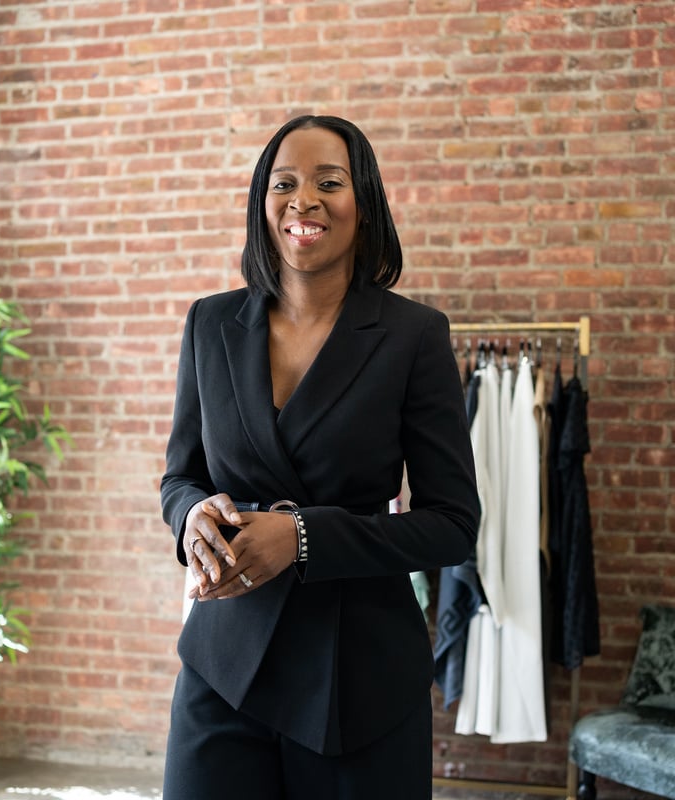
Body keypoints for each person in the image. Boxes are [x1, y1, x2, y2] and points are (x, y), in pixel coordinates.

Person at [159, 115, 482, 799]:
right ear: (262, 202)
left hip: (360, 680)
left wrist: (302, 538)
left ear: (362, 205)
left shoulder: (412, 336)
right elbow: (180, 477)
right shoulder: (210, 324)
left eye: (328, 182)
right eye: (284, 183)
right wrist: (190, 516)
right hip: (224, 665)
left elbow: (453, 524)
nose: (303, 200)